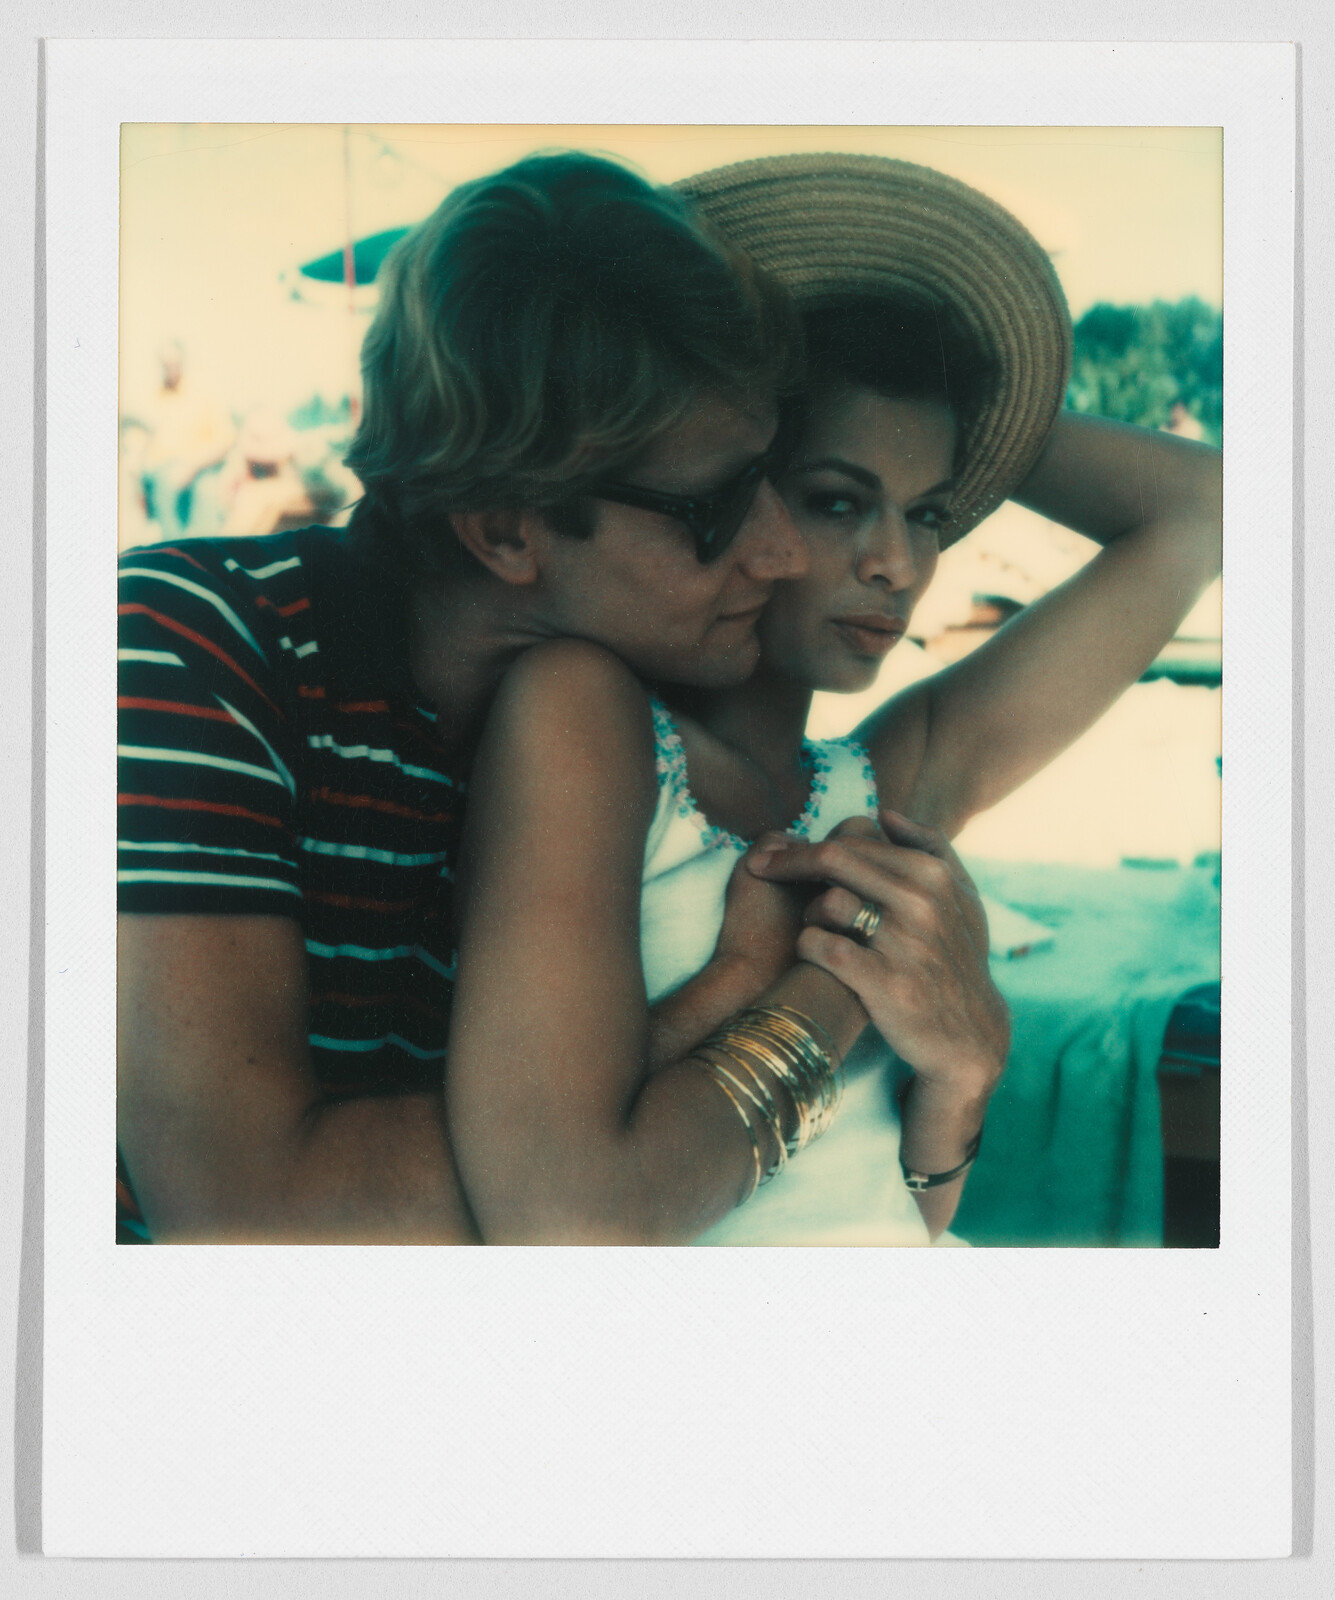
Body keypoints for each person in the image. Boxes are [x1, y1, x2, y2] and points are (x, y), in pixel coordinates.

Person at [444, 155, 1222, 1246]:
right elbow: (565, 1213)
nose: (897, 564)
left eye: (932, 513)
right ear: (729, 476)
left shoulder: (881, 781)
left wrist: (960, 1080)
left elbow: (1201, 508)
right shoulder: (590, 717)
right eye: (836, 499)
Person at [117, 151, 833, 1243]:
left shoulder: (626, 705)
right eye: (717, 503)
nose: (783, 549)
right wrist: (774, 993)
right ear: (504, 527)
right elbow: (247, 1217)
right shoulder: (189, 649)